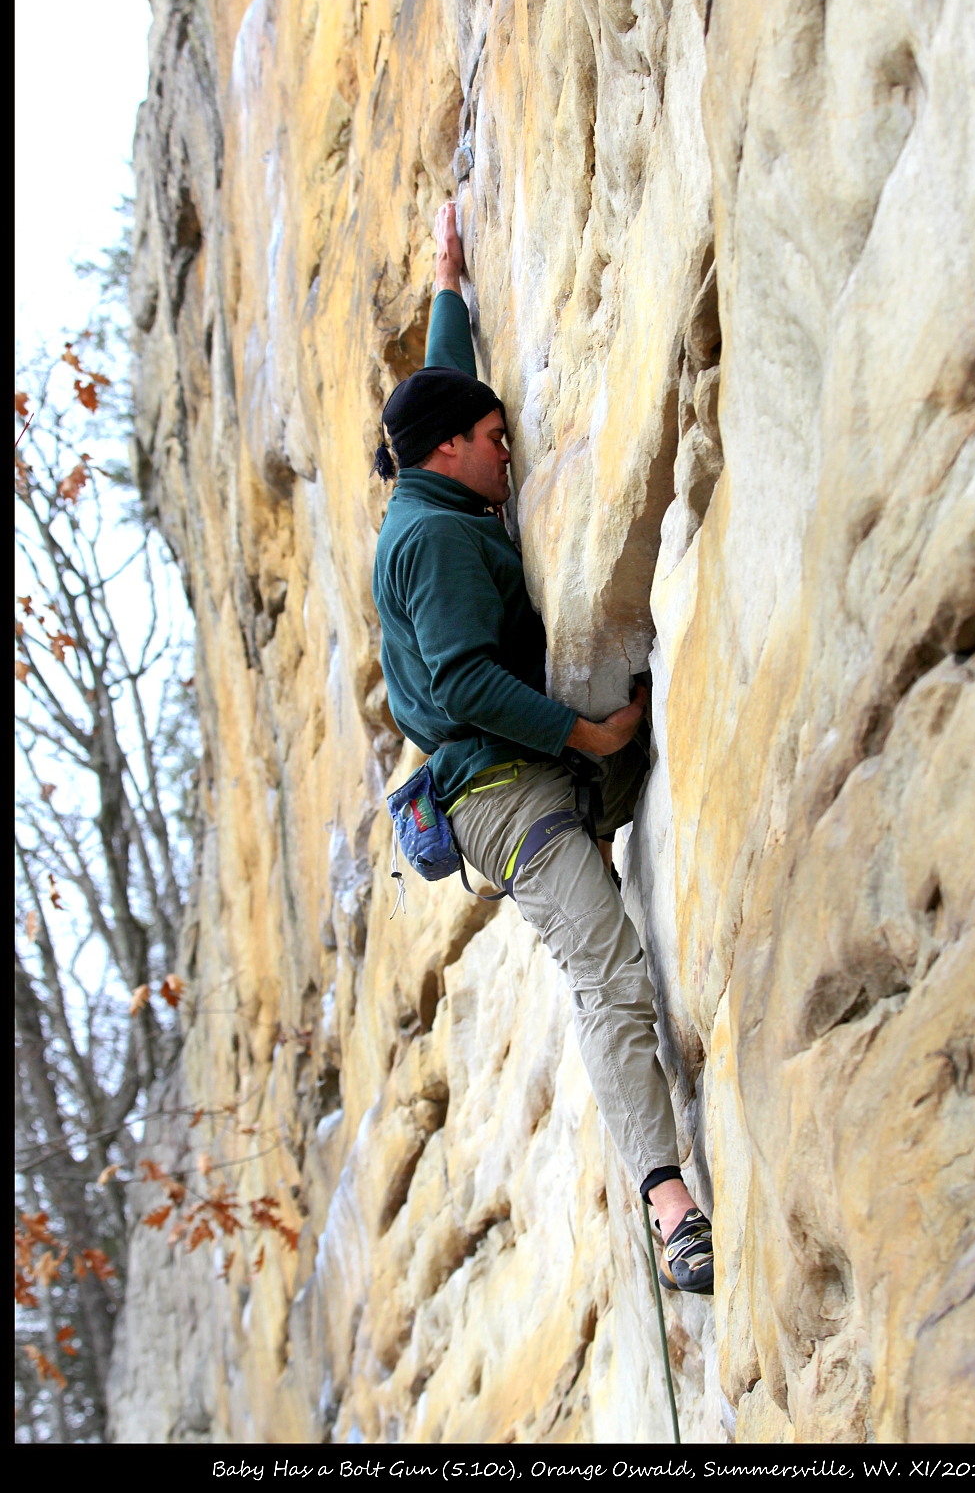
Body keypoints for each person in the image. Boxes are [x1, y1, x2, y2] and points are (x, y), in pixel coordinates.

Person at [371, 203, 714, 1294]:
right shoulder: (431, 538)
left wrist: (447, 282)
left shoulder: (427, 488)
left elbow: (441, 390)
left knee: (607, 950)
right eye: (493, 436)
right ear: (447, 451)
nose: (508, 445)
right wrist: (594, 730)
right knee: (606, 966)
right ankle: (671, 1207)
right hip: (508, 795)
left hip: (524, 777)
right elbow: (467, 679)